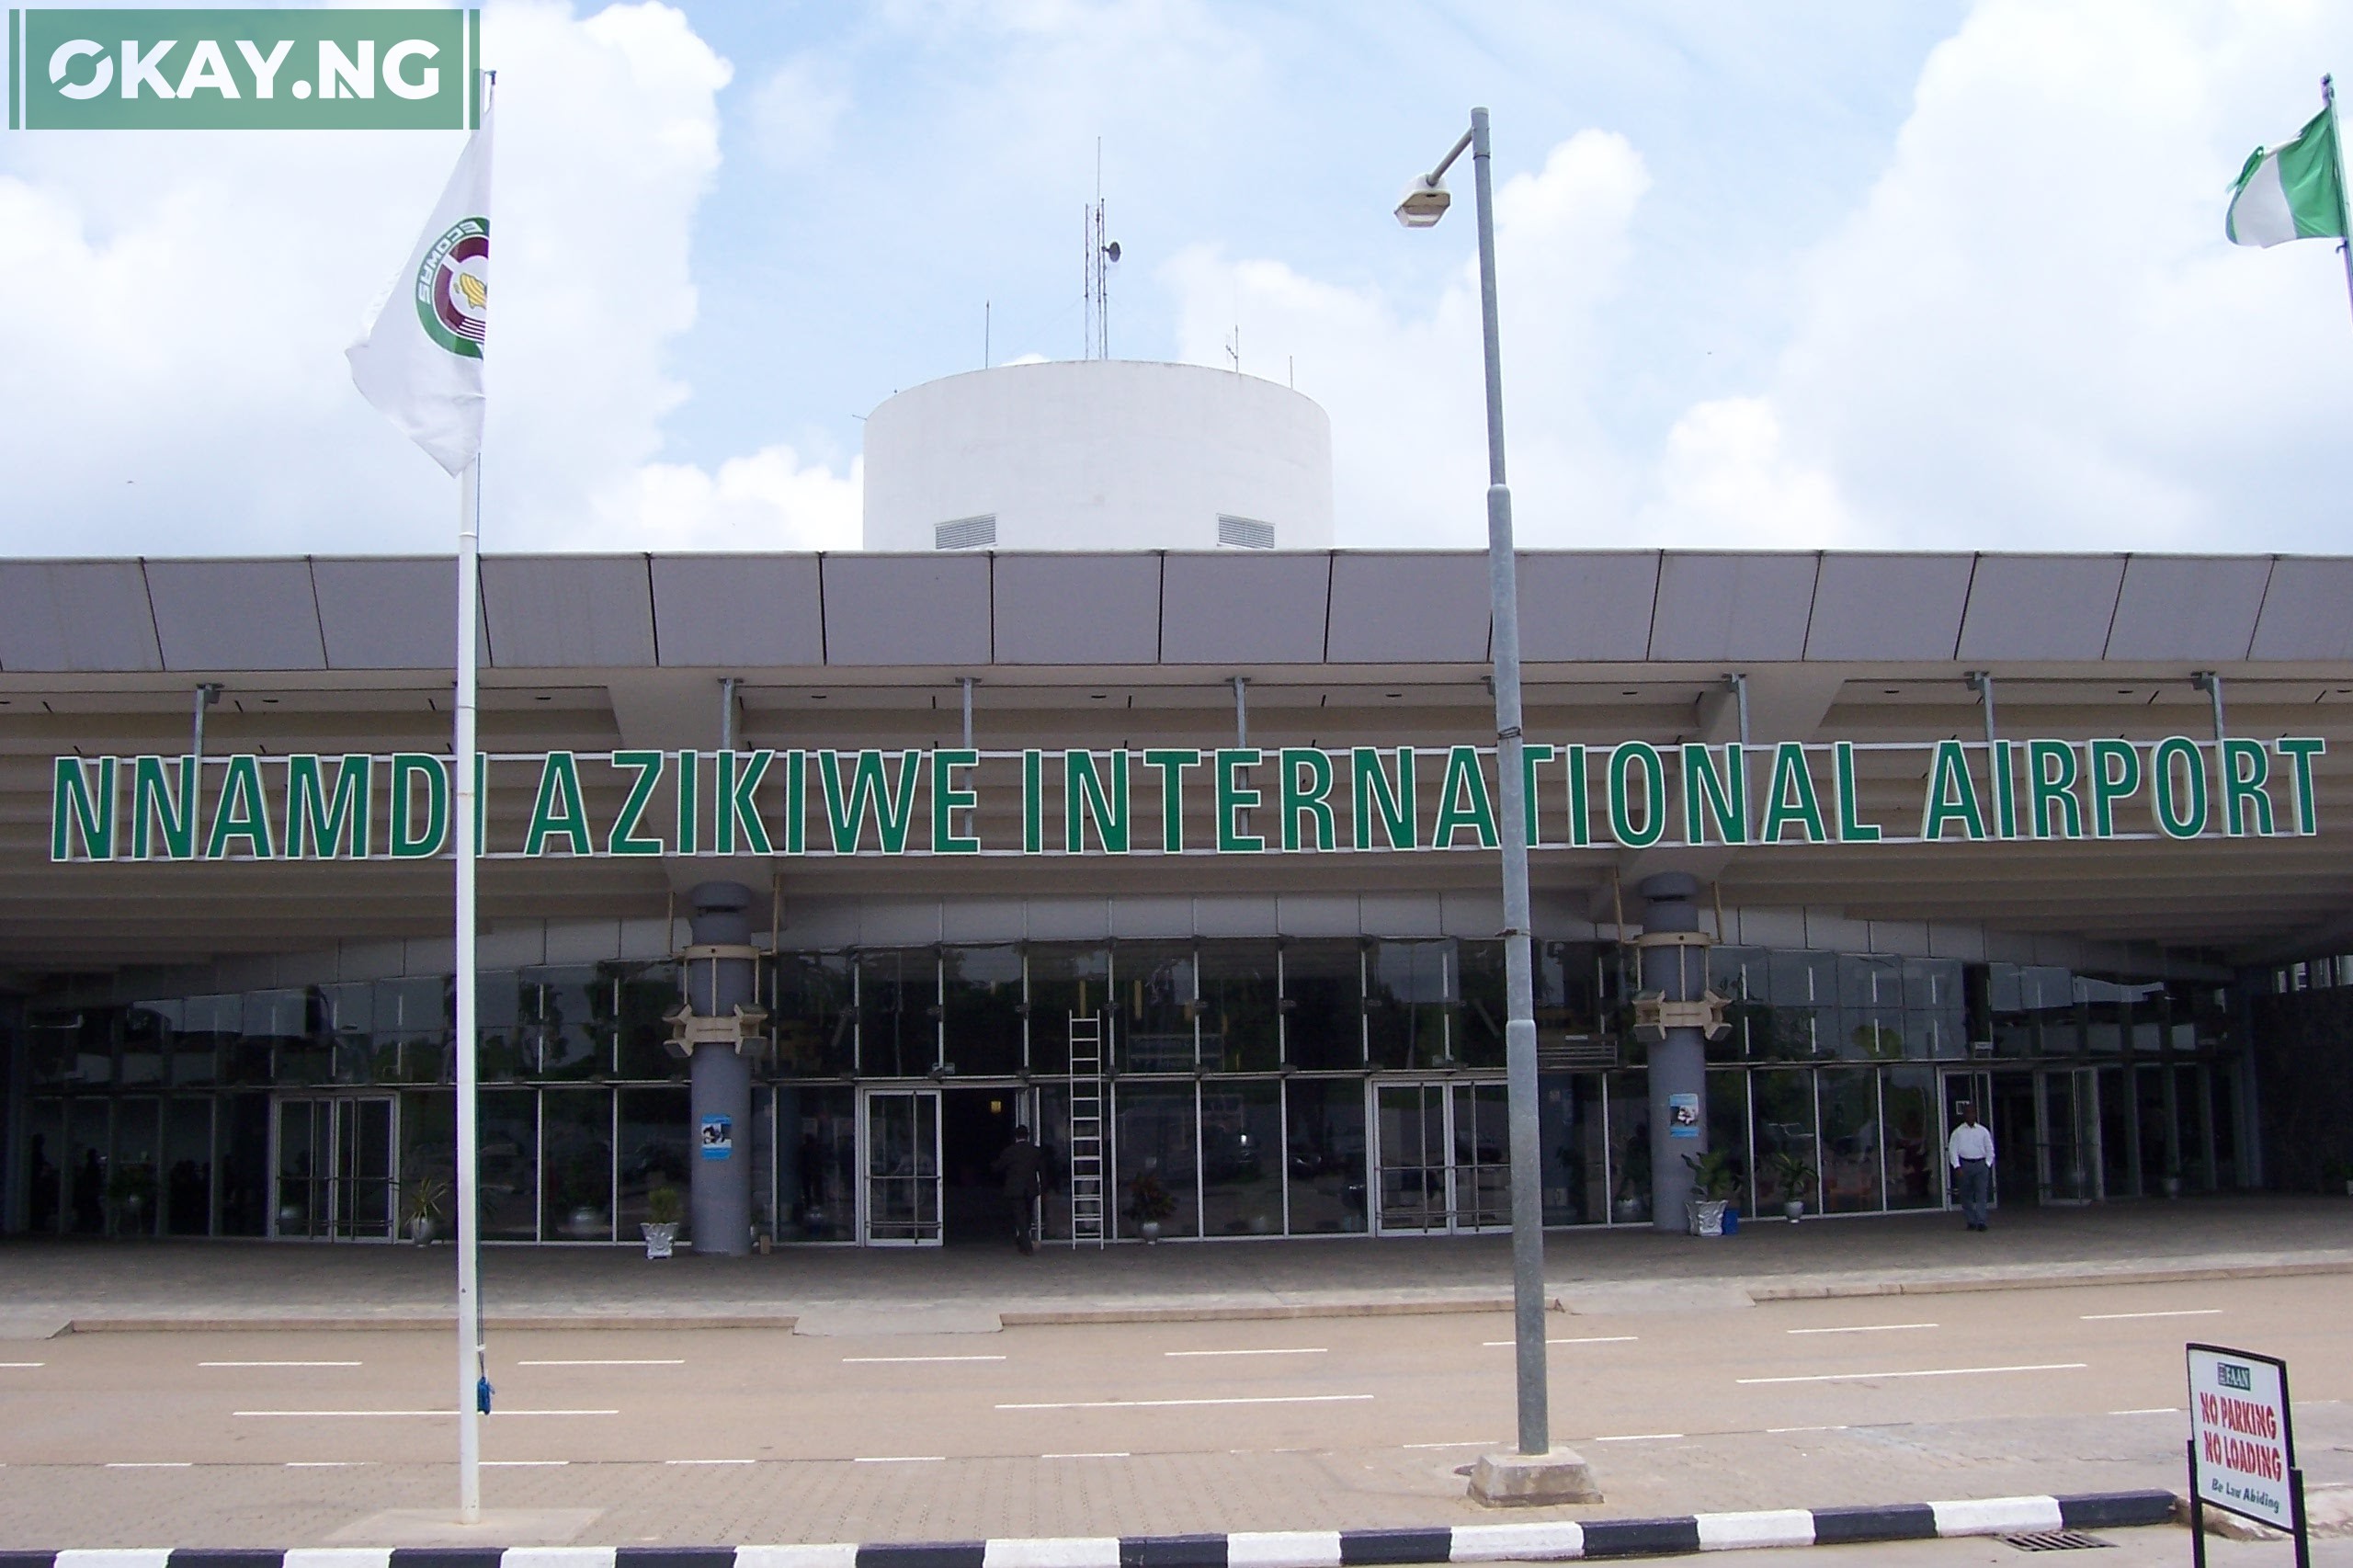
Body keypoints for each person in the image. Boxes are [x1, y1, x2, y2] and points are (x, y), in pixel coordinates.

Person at [991, 1124, 1046, 1254]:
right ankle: (1023, 1240)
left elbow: (998, 1167)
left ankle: (1026, 1245)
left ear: (1015, 1137)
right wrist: (1044, 1187)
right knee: (1027, 1216)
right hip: (1030, 1189)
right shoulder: (1035, 1152)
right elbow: (1042, 1171)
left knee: (1020, 1217)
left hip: (1015, 1189)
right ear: (1027, 1136)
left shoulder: (1010, 1151)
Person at [1948, 1102, 1995, 1231]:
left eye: (1972, 1112)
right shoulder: (1958, 1132)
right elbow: (1953, 1150)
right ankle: (1971, 1220)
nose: (1970, 1115)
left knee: (1981, 1194)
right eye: (1967, 1113)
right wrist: (1957, 1166)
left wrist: (1987, 1164)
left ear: (1975, 1114)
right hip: (1965, 1165)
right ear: (1964, 1115)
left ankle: (1981, 1221)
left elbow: (1990, 1149)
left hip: (1980, 1164)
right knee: (1966, 1195)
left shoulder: (1983, 1131)